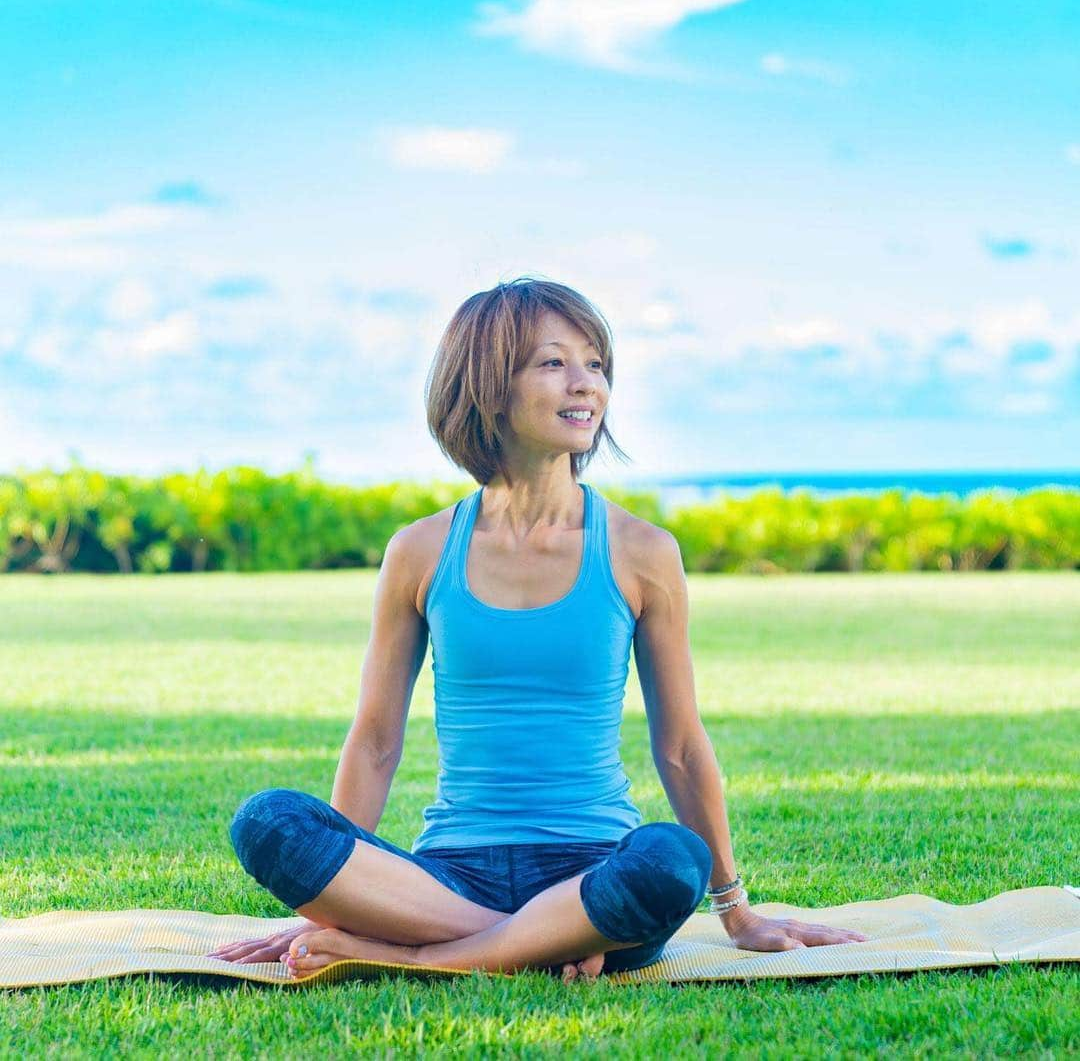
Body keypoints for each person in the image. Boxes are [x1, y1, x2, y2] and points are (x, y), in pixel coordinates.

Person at [210, 277, 867, 982]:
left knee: (673, 860)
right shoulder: (422, 551)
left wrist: (736, 911)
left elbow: (678, 745)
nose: (586, 384)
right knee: (268, 821)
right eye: (554, 363)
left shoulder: (642, 551)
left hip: (595, 875)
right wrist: (335, 905)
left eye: (596, 364)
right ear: (490, 388)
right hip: (452, 880)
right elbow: (374, 743)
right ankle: (531, 943)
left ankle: (428, 956)